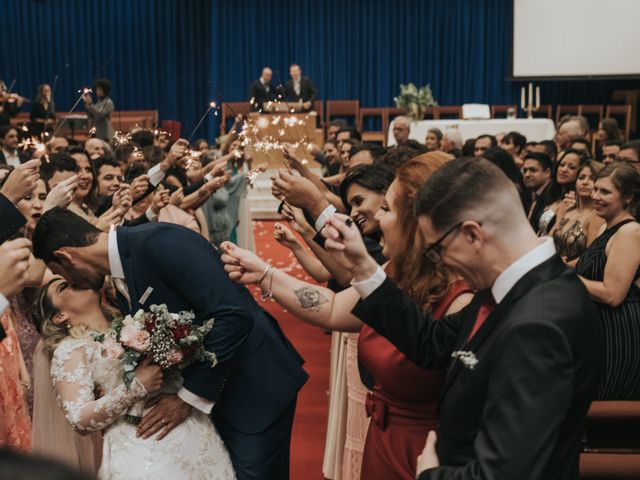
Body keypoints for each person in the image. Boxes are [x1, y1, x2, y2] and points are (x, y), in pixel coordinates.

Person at [318, 157, 601, 479]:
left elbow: (508, 472)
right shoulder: (513, 287)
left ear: (472, 234)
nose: (440, 261)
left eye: (436, 249)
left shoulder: (540, 324)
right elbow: (432, 343)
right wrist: (362, 268)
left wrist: (430, 474)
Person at [223, 153, 473, 480]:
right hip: (382, 439)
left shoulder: (463, 296)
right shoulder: (397, 271)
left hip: (426, 452)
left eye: (387, 209)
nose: (376, 220)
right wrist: (263, 273)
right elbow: (331, 308)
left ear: (418, 220)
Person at [31, 209, 308, 480]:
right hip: (214, 401)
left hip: (252, 388)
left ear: (65, 256)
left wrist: (188, 397)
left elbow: (232, 315)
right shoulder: (121, 272)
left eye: (62, 275)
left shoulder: (159, 241)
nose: (69, 282)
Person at [35, 277, 236, 478]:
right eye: (64, 286)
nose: (75, 281)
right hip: (141, 448)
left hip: (193, 433)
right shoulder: (71, 349)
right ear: (60, 316)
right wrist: (135, 387)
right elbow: (79, 419)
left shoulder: (133, 318)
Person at [576, 162, 640, 400]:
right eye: (595, 189)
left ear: (628, 197)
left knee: (608, 406)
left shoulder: (629, 232)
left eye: (605, 192)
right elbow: (587, 266)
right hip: (601, 330)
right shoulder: (606, 226)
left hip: (620, 331)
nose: (595, 196)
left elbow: (612, 294)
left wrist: (561, 275)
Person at [550, 160, 604, 265]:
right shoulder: (568, 210)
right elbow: (549, 239)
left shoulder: (597, 216)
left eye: (592, 178)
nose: (585, 182)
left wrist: (561, 267)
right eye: (581, 177)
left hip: (572, 275)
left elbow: (590, 258)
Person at [537, 148, 588, 236]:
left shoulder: (573, 201)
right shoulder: (552, 194)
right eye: (561, 165)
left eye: (571, 167)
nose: (564, 169)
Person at [523, 152, 553, 230]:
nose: (527, 174)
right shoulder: (532, 194)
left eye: (533, 170)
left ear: (547, 173)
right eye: (525, 170)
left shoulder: (552, 196)